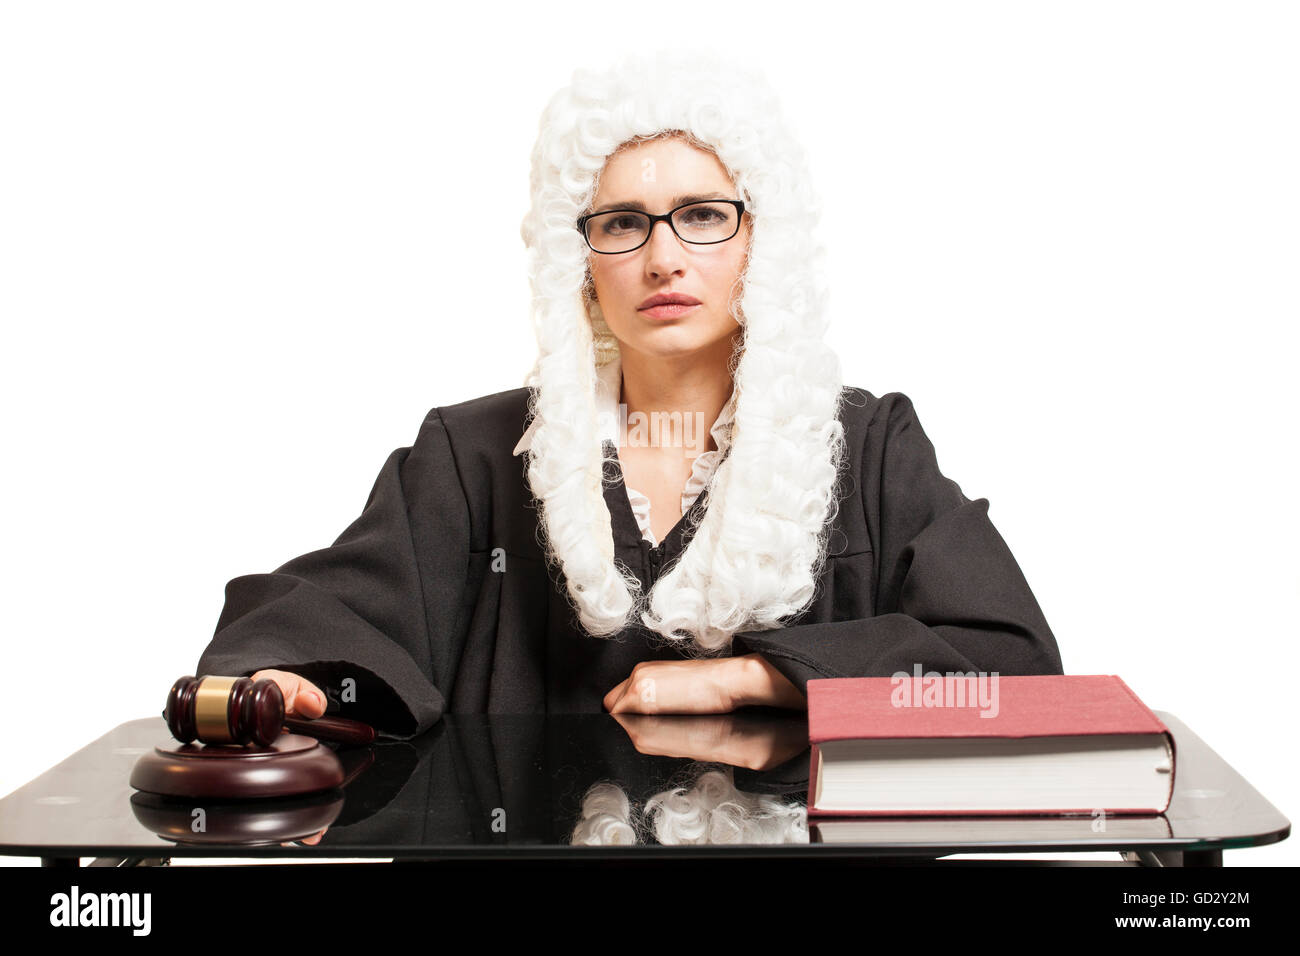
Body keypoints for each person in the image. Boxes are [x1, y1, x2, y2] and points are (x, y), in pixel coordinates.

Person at [196, 50, 1064, 739]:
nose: (663, 258)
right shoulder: (473, 458)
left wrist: (759, 676)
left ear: (761, 239)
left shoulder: (870, 450)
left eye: (702, 213)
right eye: (621, 224)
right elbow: (325, 623)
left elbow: (1010, 676)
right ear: (577, 261)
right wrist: (290, 682)